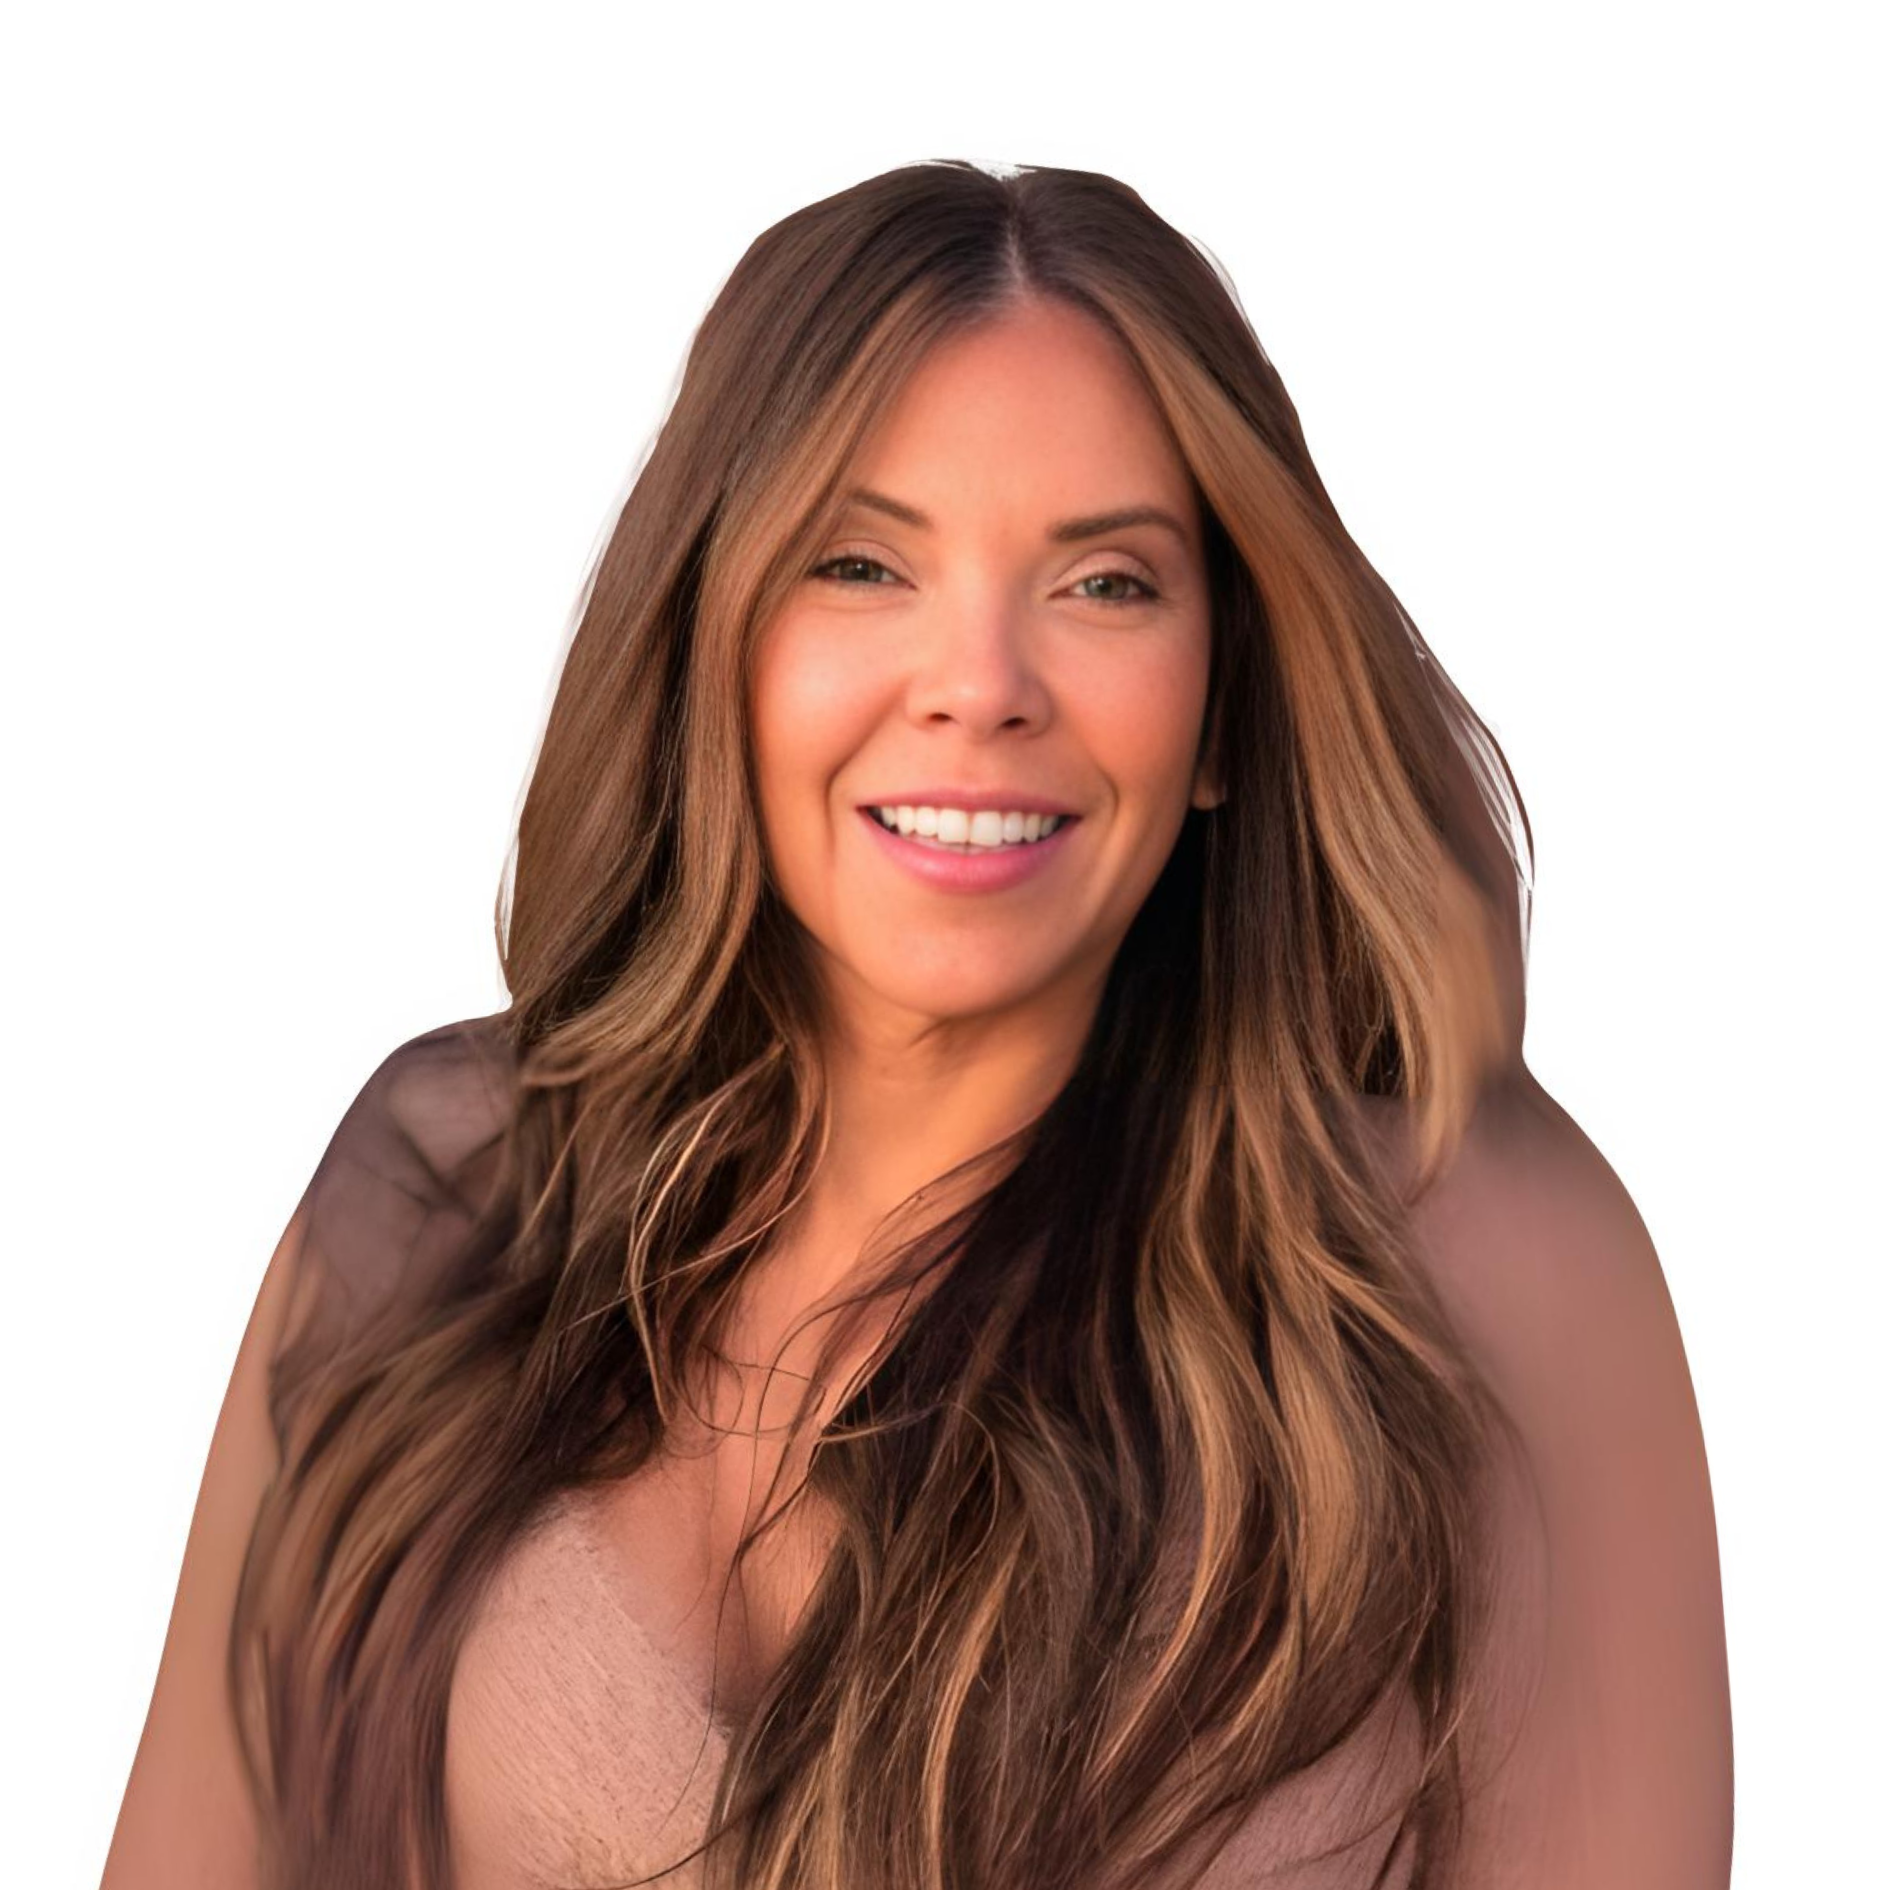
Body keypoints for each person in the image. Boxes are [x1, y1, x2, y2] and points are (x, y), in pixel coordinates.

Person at [99, 159, 1732, 1890]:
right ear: (713, 643)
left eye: (1104, 582)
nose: (980, 682)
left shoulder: (1478, 1262)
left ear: (1226, 709)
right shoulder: (439, 1193)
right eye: (863, 561)